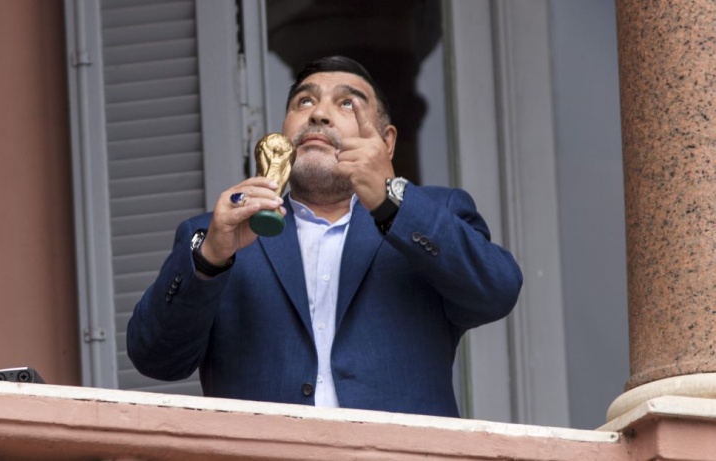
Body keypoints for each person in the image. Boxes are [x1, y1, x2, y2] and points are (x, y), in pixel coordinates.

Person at [126, 56, 523, 418]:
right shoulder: (217, 234)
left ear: (386, 142)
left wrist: (394, 203)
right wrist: (210, 258)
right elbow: (157, 359)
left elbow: (497, 291)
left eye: (346, 103)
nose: (318, 114)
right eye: (304, 101)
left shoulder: (433, 214)